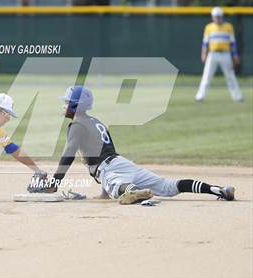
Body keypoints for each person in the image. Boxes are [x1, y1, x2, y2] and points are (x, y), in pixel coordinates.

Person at [29, 86, 235, 205]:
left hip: (109, 170)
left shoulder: (76, 124)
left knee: (119, 188)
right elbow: (107, 151)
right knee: (169, 186)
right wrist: (103, 192)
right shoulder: (95, 121)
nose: (64, 105)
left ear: (76, 105)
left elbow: (68, 155)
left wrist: (56, 181)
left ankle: (135, 191)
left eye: (67, 102)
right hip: (124, 164)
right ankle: (219, 190)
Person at [195, 6, 243, 102]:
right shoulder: (209, 27)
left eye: (219, 16)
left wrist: (235, 56)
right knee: (207, 75)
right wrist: (203, 54)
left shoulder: (228, 27)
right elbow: (205, 43)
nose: (217, 18)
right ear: (213, 17)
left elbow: (232, 43)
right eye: (216, 16)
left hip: (225, 54)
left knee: (230, 76)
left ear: (222, 16)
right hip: (212, 54)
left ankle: (237, 97)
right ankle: (200, 96)